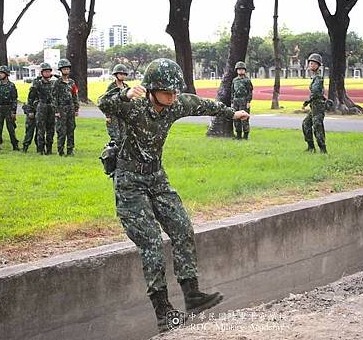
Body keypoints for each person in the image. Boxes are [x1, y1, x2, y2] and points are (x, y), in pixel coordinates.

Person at [98, 58, 250, 333]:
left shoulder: (176, 103)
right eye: (167, 91)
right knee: (152, 242)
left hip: (157, 177)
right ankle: (164, 312)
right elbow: (104, 104)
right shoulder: (134, 105)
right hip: (129, 182)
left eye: (175, 91)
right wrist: (123, 93)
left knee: (182, 227)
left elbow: (204, 104)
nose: (173, 96)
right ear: (152, 89)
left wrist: (233, 113)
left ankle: (192, 294)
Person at [302, 53, 329, 153]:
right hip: (314, 106)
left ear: (318, 65)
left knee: (318, 127)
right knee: (306, 124)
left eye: (313, 64)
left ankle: (323, 149)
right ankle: (311, 147)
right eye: (310, 63)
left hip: (318, 107)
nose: (311, 65)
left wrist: (307, 101)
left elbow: (316, 93)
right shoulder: (314, 77)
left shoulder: (318, 78)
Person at [52, 58, 79, 156]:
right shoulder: (57, 83)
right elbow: (54, 97)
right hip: (61, 109)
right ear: (60, 70)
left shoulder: (72, 82)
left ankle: (70, 150)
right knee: (61, 130)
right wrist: (56, 110)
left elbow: (75, 96)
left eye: (67, 69)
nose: (66, 71)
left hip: (70, 108)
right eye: (64, 69)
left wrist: (76, 108)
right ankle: (60, 150)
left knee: (71, 130)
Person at [28, 62, 55, 155]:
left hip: (51, 107)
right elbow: (31, 98)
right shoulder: (37, 84)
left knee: (51, 129)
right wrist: (31, 110)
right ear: (42, 73)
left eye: (49, 72)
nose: (47, 73)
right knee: (41, 129)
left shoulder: (53, 83)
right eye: (45, 72)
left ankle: (49, 149)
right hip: (41, 106)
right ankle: (40, 149)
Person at [0, 65, 19, 151]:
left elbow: (14, 99)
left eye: (1, 73)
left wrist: (13, 111)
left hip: (9, 108)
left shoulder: (11, 85)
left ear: (6, 74)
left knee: (11, 128)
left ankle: (15, 145)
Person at [104, 63, 130, 143]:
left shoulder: (126, 87)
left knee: (125, 136)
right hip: (113, 115)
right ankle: (111, 154)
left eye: (124, 74)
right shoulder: (111, 87)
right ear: (116, 75)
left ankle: (121, 155)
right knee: (115, 137)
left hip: (124, 115)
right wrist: (108, 116)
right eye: (120, 74)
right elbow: (105, 101)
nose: (122, 76)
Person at [231, 61, 253, 140]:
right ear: (236, 70)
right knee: (236, 118)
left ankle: (246, 136)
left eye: (242, 69)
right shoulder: (234, 80)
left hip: (244, 101)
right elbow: (232, 91)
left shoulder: (247, 80)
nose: (240, 71)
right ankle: (238, 135)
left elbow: (250, 92)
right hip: (236, 101)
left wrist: (248, 102)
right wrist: (232, 102)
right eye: (239, 69)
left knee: (245, 119)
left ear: (244, 70)